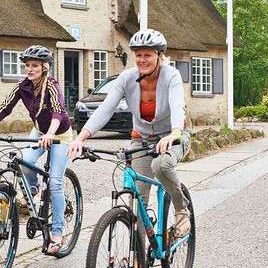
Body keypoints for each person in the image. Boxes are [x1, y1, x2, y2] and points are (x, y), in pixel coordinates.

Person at [67, 29, 192, 237]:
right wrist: (80, 138)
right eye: (139, 55)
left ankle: (181, 210)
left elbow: (178, 106)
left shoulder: (172, 75)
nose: (142, 60)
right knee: (138, 199)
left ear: (160, 56)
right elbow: (105, 109)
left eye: (148, 55)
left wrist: (174, 133)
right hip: (141, 139)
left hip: (174, 135)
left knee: (161, 165)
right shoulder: (127, 78)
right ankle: (138, 261)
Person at [0, 45, 72, 254]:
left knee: (54, 183)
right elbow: (4, 108)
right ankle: (33, 187)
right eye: (27, 65)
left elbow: (58, 112)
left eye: (34, 65)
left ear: (44, 67)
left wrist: (51, 134)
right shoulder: (23, 86)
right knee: (25, 161)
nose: (29, 69)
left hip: (59, 134)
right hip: (39, 131)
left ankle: (57, 233)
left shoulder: (52, 86)